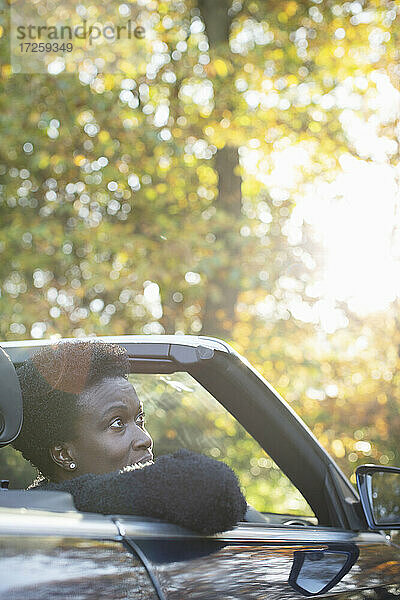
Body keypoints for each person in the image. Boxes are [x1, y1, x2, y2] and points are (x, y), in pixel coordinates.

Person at [11, 340, 247, 534]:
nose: (145, 439)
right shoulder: (43, 521)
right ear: (64, 454)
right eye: (117, 423)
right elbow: (210, 488)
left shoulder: (34, 509)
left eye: (140, 418)